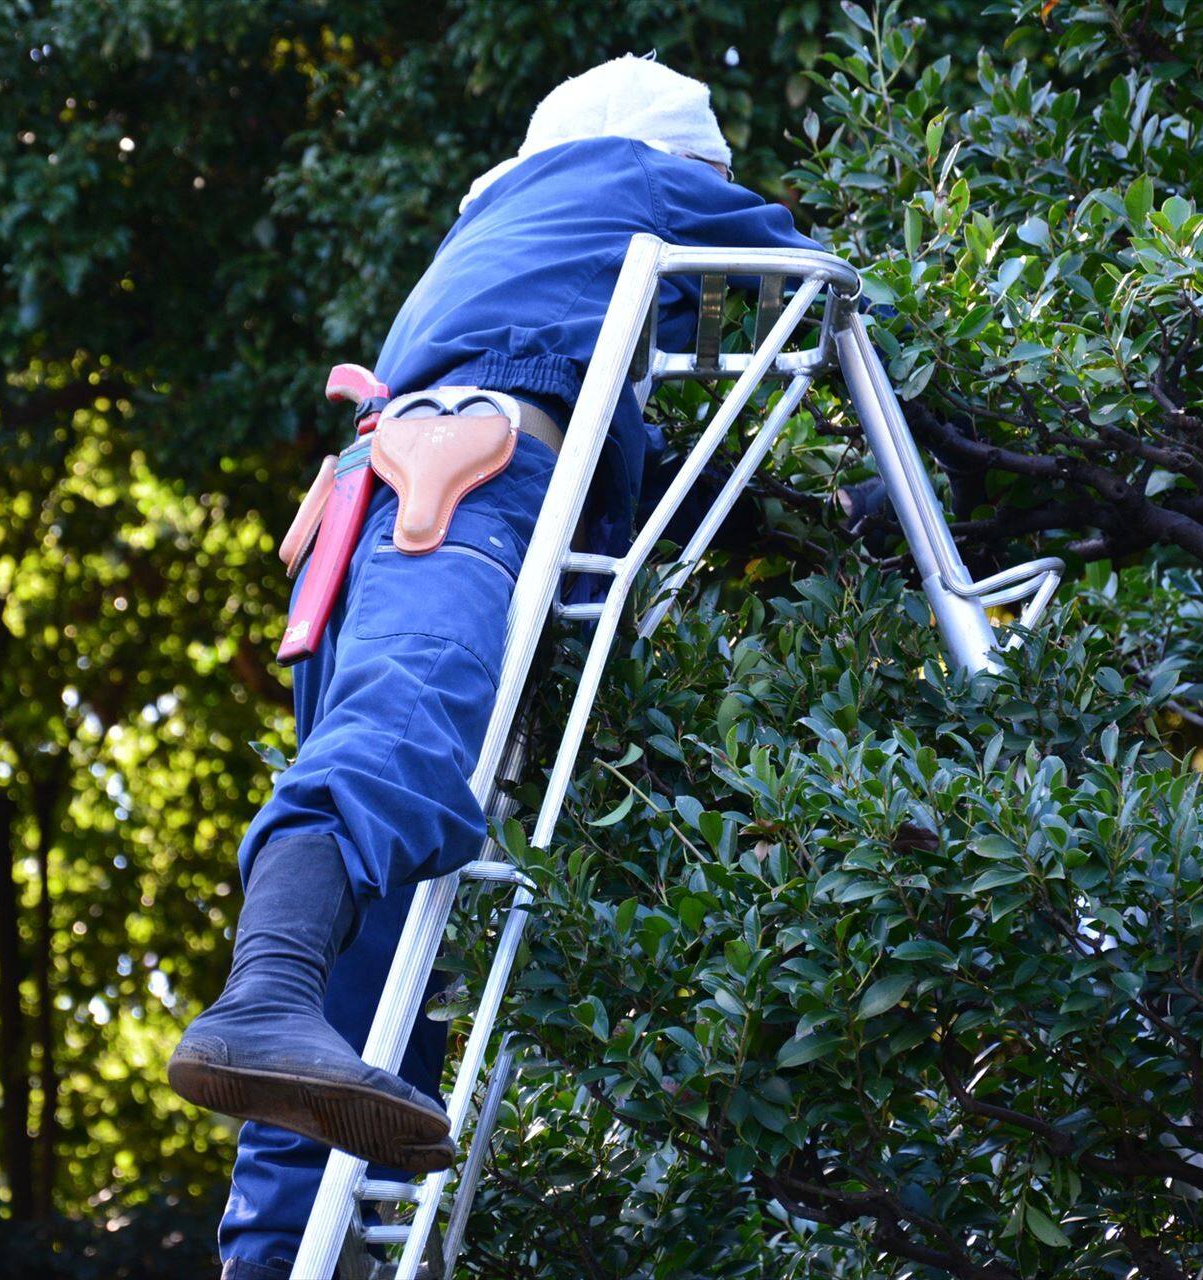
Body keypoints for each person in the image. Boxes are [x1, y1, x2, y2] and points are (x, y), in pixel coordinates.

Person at [167, 54, 823, 1279]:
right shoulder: (643, 181)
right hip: (462, 488)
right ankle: (259, 992)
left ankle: (273, 1244)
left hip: (365, 517)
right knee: (397, 741)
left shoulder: (497, 239)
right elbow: (808, 274)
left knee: (357, 994)